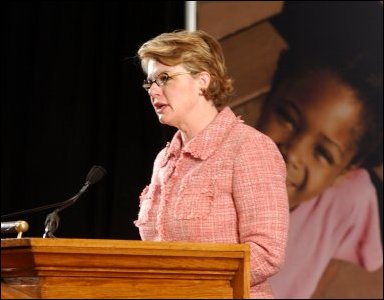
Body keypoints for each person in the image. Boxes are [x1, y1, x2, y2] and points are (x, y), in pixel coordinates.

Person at [134, 29, 289, 299]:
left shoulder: (249, 148)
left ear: (202, 80)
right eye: (150, 82)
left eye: (165, 78)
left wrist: (192, 286)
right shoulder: (164, 159)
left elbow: (266, 252)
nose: (153, 91)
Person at [256, 46, 383, 298]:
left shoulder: (348, 198)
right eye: (287, 118)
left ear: (345, 171)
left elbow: (329, 258)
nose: (292, 154)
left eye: (323, 153)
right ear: (269, 99)